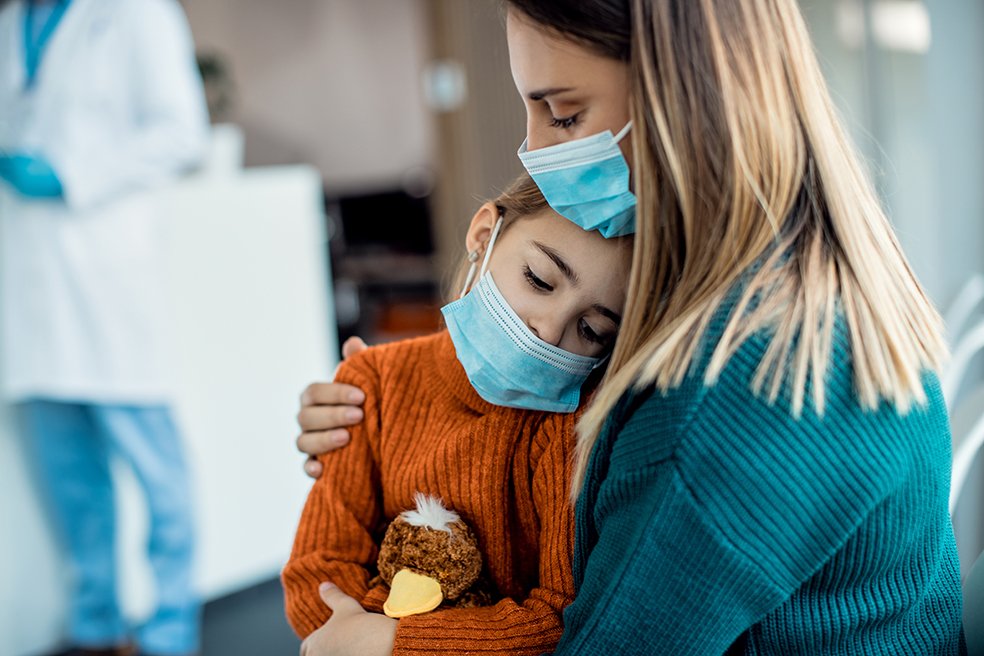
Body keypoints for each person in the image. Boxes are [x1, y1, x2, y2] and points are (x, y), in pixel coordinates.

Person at [295, 0, 965, 653]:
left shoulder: (727, 398)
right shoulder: (778, 287)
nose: (532, 150)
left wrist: (396, 643)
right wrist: (391, 404)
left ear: (681, 92)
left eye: (562, 113)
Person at [282, 173, 633, 656]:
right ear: (484, 236)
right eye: (539, 280)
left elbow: (559, 618)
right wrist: (359, 634)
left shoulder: (567, 429)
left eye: (590, 329)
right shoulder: (372, 380)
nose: (548, 330)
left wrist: (395, 643)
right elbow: (317, 567)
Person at [0, 1, 210, 655]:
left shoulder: (135, 11)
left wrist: (72, 173)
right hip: (31, 285)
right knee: (70, 478)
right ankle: (96, 625)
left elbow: (183, 131)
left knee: (156, 472)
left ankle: (169, 629)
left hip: (104, 274)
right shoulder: (11, 21)